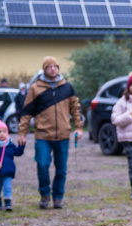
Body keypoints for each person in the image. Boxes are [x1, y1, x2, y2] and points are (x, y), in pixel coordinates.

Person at [18, 56, 83, 209]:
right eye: (49, 66)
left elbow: (75, 110)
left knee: (61, 169)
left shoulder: (67, 87)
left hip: (62, 135)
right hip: (42, 135)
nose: (53, 69)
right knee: (42, 165)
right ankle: (45, 194)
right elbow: (26, 112)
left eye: (55, 66)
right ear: (44, 69)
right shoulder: (35, 88)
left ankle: (58, 197)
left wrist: (79, 127)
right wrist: (22, 131)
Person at [0, 119, 25, 212]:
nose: (2, 134)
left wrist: (21, 145)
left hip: (8, 171)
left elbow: (18, 152)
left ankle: (8, 202)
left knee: (7, 187)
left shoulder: (10, 145)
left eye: (4, 132)